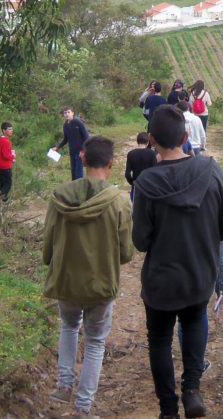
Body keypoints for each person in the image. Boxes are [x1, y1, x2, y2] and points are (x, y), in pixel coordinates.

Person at [133, 105, 223, 419]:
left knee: (159, 339)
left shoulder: (146, 184)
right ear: (184, 136)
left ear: (152, 139)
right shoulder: (210, 170)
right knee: (195, 322)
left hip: (160, 281)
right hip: (198, 274)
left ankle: (168, 410)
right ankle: (192, 389)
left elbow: (140, 241)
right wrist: (206, 236)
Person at [43, 136, 134, 418]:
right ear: (111, 164)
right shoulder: (119, 201)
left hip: (66, 281)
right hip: (101, 284)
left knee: (68, 327)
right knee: (95, 342)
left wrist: (52, 261)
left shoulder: (59, 196)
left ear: (82, 159)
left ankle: (63, 386)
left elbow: (48, 245)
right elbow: (126, 253)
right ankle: (84, 408)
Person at [54, 107, 90, 181]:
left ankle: (80, 190)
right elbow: (65, 139)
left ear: (72, 113)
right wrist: (57, 147)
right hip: (72, 152)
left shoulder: (78, 122)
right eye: (65, 113)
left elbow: (87, 137)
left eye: (68, 112)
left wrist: (83, 151)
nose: (67, 114)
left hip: (80, 152)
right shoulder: (65, 125)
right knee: (73, 172)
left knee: (78, 173)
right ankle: (74, 190)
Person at [125, 132, 157, 199]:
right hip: (149, 186)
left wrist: (132, 183)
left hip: (136, 186)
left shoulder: (131, 154)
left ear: (137, 141)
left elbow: (127, 174)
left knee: (135, 207)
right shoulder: (152, 154)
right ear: (148, 142)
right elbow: (155, 171)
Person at [0, 122, 15, 202]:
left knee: (3, 183)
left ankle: (3, 200)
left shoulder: (0, 139)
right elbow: (6, 155)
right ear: (4, 130)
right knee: (8, 183)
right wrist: (13, 156)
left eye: (12, 129)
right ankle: (0, 198)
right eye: (9, 129)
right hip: (5, 166)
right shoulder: (6, 141)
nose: (11, 131)